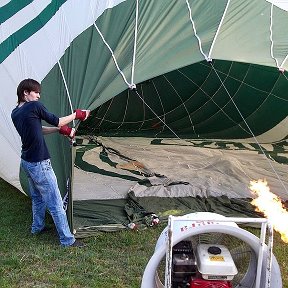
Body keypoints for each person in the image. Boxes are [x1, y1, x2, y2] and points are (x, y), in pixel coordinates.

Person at [11, 78, 90, 247]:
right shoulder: (34, 106)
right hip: (39, 163)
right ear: (26, 93)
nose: (39, 96)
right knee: (55, 202)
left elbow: (38, 130)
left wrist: (58, 130)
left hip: (27, 161)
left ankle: (37, 228)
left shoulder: (15, 112)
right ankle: (67, 240)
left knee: (38, 198)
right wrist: (77, 114)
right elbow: (58, 120)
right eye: (36, 92)